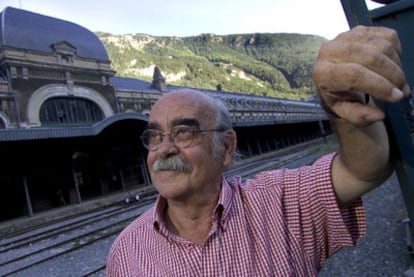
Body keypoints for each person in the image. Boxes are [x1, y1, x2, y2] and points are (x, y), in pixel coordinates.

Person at [106, 26, 410, 276]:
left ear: (226, 147)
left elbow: (363, 169)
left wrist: (342, 106)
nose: (165, 149)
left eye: (184, 132)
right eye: (154, 136)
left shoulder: (280, 202)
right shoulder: (125, 251)